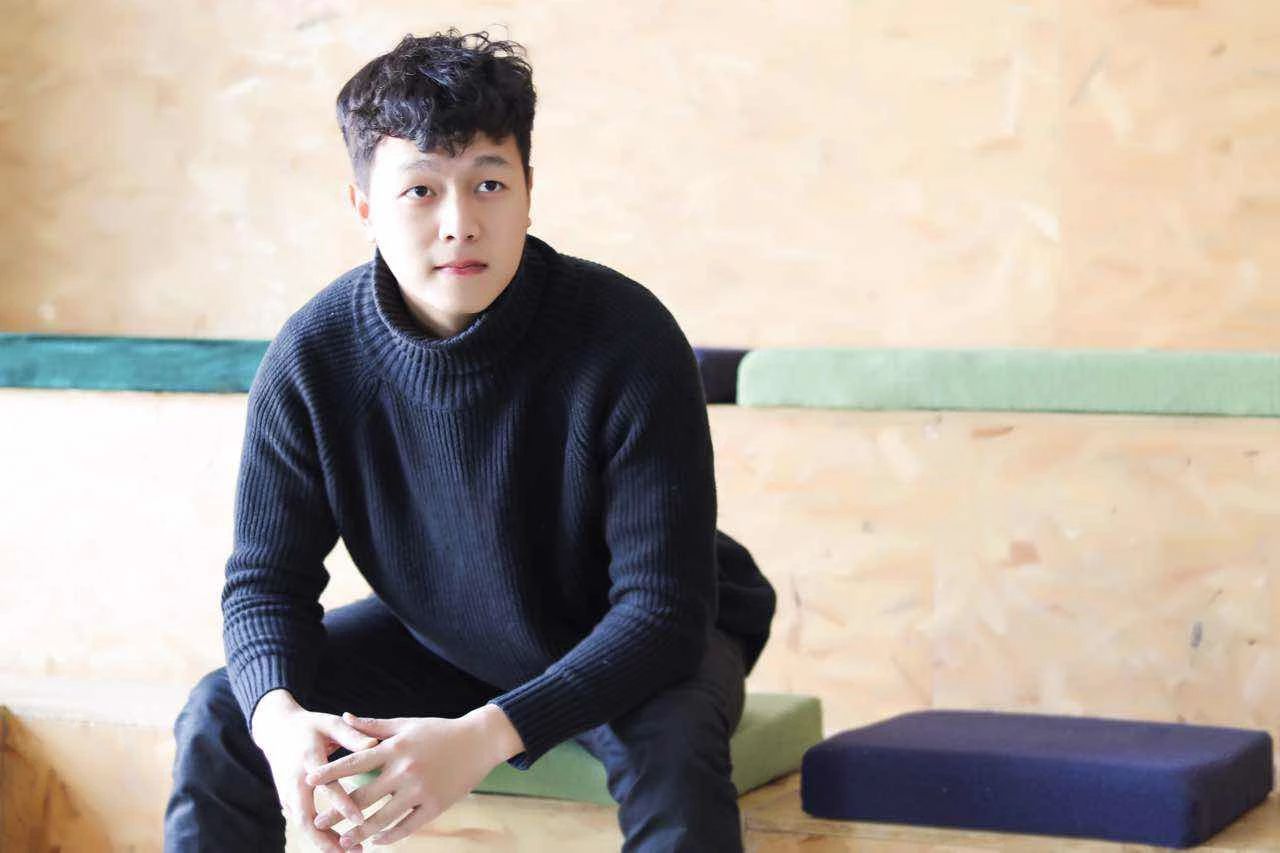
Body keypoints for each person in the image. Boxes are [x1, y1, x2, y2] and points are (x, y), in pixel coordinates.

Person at [163, 28, 776, 853]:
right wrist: (278, 721)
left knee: (673, 749)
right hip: (448, 633)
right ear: (363, 206)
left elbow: (663, 611)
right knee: (223, 711)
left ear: (528, 192)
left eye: (489, 184)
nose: (460, 224)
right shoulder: (312, 357)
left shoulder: (627, 336)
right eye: (420, 190)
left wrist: (483, 737)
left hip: (638, 631)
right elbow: (265, 584)